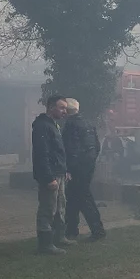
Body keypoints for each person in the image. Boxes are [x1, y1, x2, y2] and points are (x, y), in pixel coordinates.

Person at [62, 98, 106, 242]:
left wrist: (68, 169)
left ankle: (97, 230)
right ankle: (71, 230)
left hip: (76, 167)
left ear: (67, 111)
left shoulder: (70, 124)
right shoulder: (88, 123)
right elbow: (97, 146)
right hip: (88, 166)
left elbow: (70, 149)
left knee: (82, 197)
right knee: (74, 197)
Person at [32, 95, 71, 255]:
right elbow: (42, 154)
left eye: (65, 108)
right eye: (61, 108)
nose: (64, 112)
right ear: (50, 108)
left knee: (60, 207)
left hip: (59, 172)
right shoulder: (42, 126)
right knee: (48, 209)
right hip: (51, 175)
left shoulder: (54, 125)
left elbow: (59, 151)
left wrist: (65, 170)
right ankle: (45, 244)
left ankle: (59, 237)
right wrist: (49, 178)